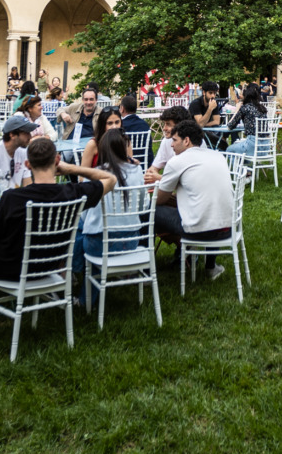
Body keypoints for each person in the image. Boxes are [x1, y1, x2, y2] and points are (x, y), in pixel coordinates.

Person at [0, 136, 118, 289]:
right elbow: (111, 179)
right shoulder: (73, 194)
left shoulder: (12, 197)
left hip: (7, 268)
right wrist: (71, 168)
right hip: (48, 265)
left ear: (27, 164)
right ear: (57, 160)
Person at [152, 121, 236, 273]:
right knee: (209, 206)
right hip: (228, 227)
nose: (171, 145)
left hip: (198, 231)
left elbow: (160, 199)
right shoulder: (218, 156)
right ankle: (211, 267)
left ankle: (145, 267)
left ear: (186, 140)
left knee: (149, 211)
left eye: (174, 140)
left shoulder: (177, 162)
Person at [75, 127, 147, 301]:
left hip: (100, 244)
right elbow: (144, 206)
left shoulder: (96, 174)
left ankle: (74, 275)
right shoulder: (137, 170)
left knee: (79, 226)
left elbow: (85, 213)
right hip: (131, 240)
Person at [0, 114, 40, 191]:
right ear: (12, 135)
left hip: (14, 196)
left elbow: (27, 184)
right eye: (26, 133)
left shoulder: (23, 152)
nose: (30, 136)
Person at [226, 83, 265, 157]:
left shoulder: (245, 108)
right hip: (265, 147)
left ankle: (236, 165)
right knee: (240, 151)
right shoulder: (262, 108)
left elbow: (230, 126)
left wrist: (237, 110)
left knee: (230, 149)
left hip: (252, 146)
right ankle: (245, 165)